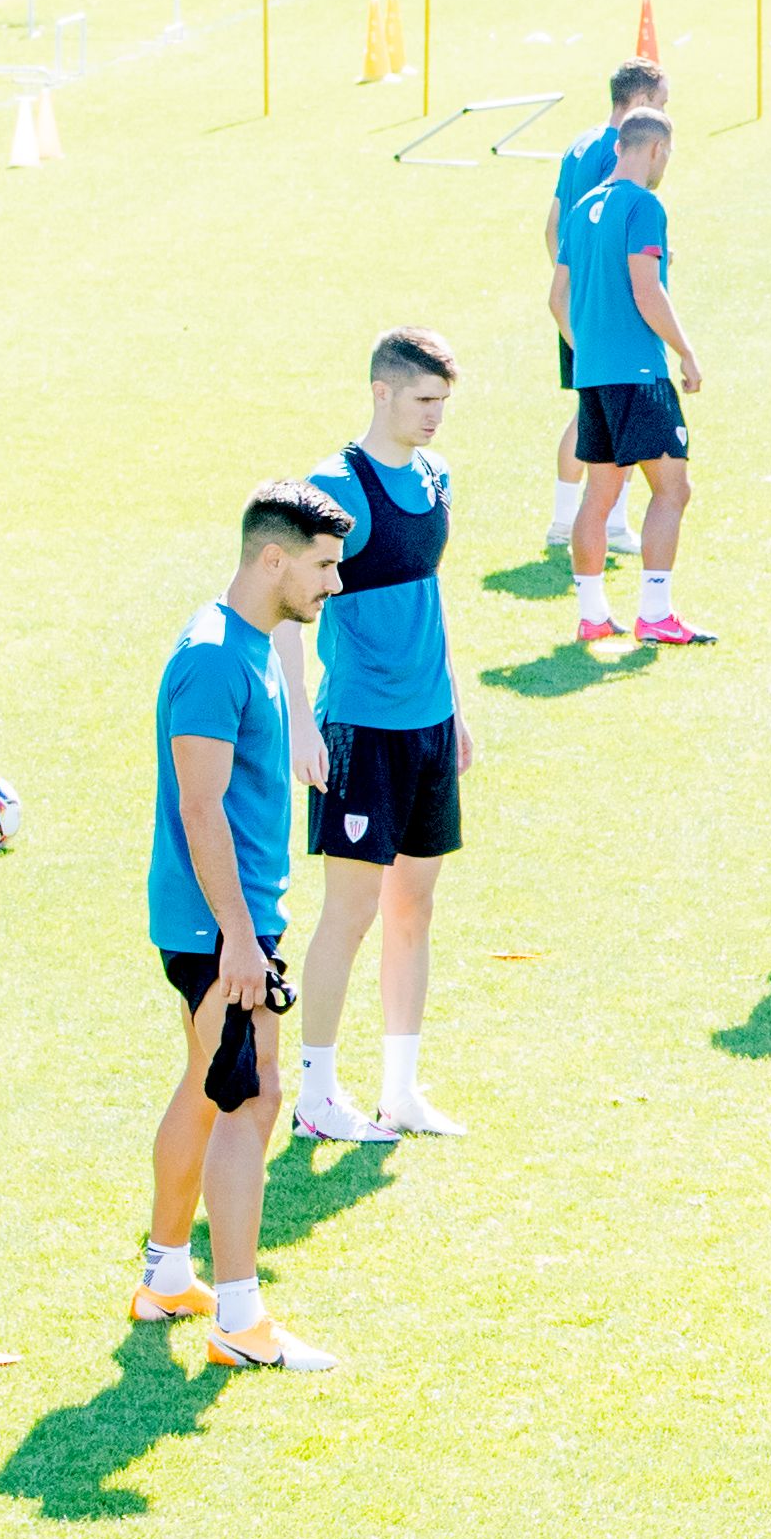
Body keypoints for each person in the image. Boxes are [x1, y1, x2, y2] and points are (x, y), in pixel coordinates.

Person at [137, 478, 355, 1373]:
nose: (332, 585)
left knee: (204, 1080)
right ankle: (238, 1316)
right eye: (323, 565)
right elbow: (199, 806)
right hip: (216, 927)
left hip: (229, 919)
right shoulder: (216, 659)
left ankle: (166, 1274)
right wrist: (236, 933)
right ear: (274, 558)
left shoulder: (254, 643)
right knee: (251, 1093)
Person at [276, 329, 478, 1145]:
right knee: (350, 913)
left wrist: (454, 705)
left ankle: (400, 1091)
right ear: (382, 392)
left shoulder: (435, 477)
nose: (436, 418)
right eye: (424, 401)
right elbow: (290, 606)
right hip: (361, 724)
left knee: (413, 909)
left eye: (443, 403)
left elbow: (429, 595)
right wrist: (300, 721)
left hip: (428, 725)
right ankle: (318, 1092)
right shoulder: (335, 488)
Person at [554, 107, 710, 646]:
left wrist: (592, 349)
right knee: (672, 489)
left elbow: (557, 300)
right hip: (639, 375)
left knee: (598, 495)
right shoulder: (644, 205)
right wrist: (685, 352)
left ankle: (593, 615)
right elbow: (648, 289)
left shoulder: (580, 208)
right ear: (657, 150)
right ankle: (656, 613)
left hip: (593, 376)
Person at [541, 59, 663, 553]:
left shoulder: (578, 145)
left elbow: (554, 226)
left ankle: (573, 519)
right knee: (606, 413)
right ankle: (587, 522)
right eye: (661, 103)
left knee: (594, 410)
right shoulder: (614, 158)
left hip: (581, 302)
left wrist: (572, 283)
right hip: (607, 313)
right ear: (640, 102)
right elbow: (602, 229)